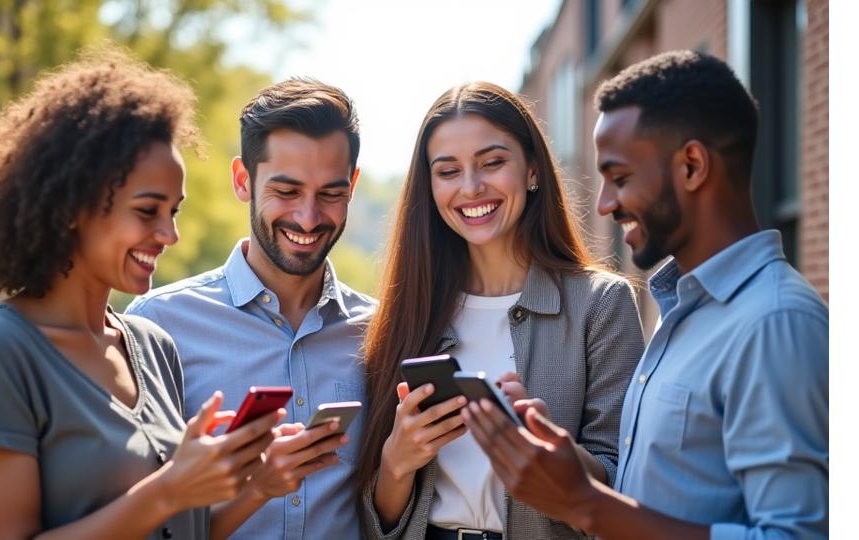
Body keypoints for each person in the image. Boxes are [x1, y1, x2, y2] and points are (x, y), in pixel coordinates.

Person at [463, 50, 829, 540]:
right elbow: (660, 502)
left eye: (620, 177)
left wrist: (584, 504)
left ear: (693, 166)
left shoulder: (776, 323)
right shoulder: (682, 311)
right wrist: (570, 468)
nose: (605, 203)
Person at [0, 48, 283, 540]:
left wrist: (259, 487)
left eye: (173, 211)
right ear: (72, 207)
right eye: (147, 210)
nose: (169, 234)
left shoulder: (152, 346)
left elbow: (180, 529)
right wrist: (169, 490)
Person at [357, 81, 645, 540]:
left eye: (492, 163)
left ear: (532, 170)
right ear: (429, 187)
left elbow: (625, 481)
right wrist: (397, 460)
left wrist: (552, 449)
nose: (471, 188)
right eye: (447, 171)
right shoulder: (407, 312)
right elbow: (379, 521)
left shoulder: (601, 303)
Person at [126, 77, 376, 539]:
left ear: (352, 186)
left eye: (330, 194)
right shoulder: (157, 326)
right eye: (286, 191)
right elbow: (138, 517)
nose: (308, 217)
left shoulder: (380, 331)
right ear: (244, 180)